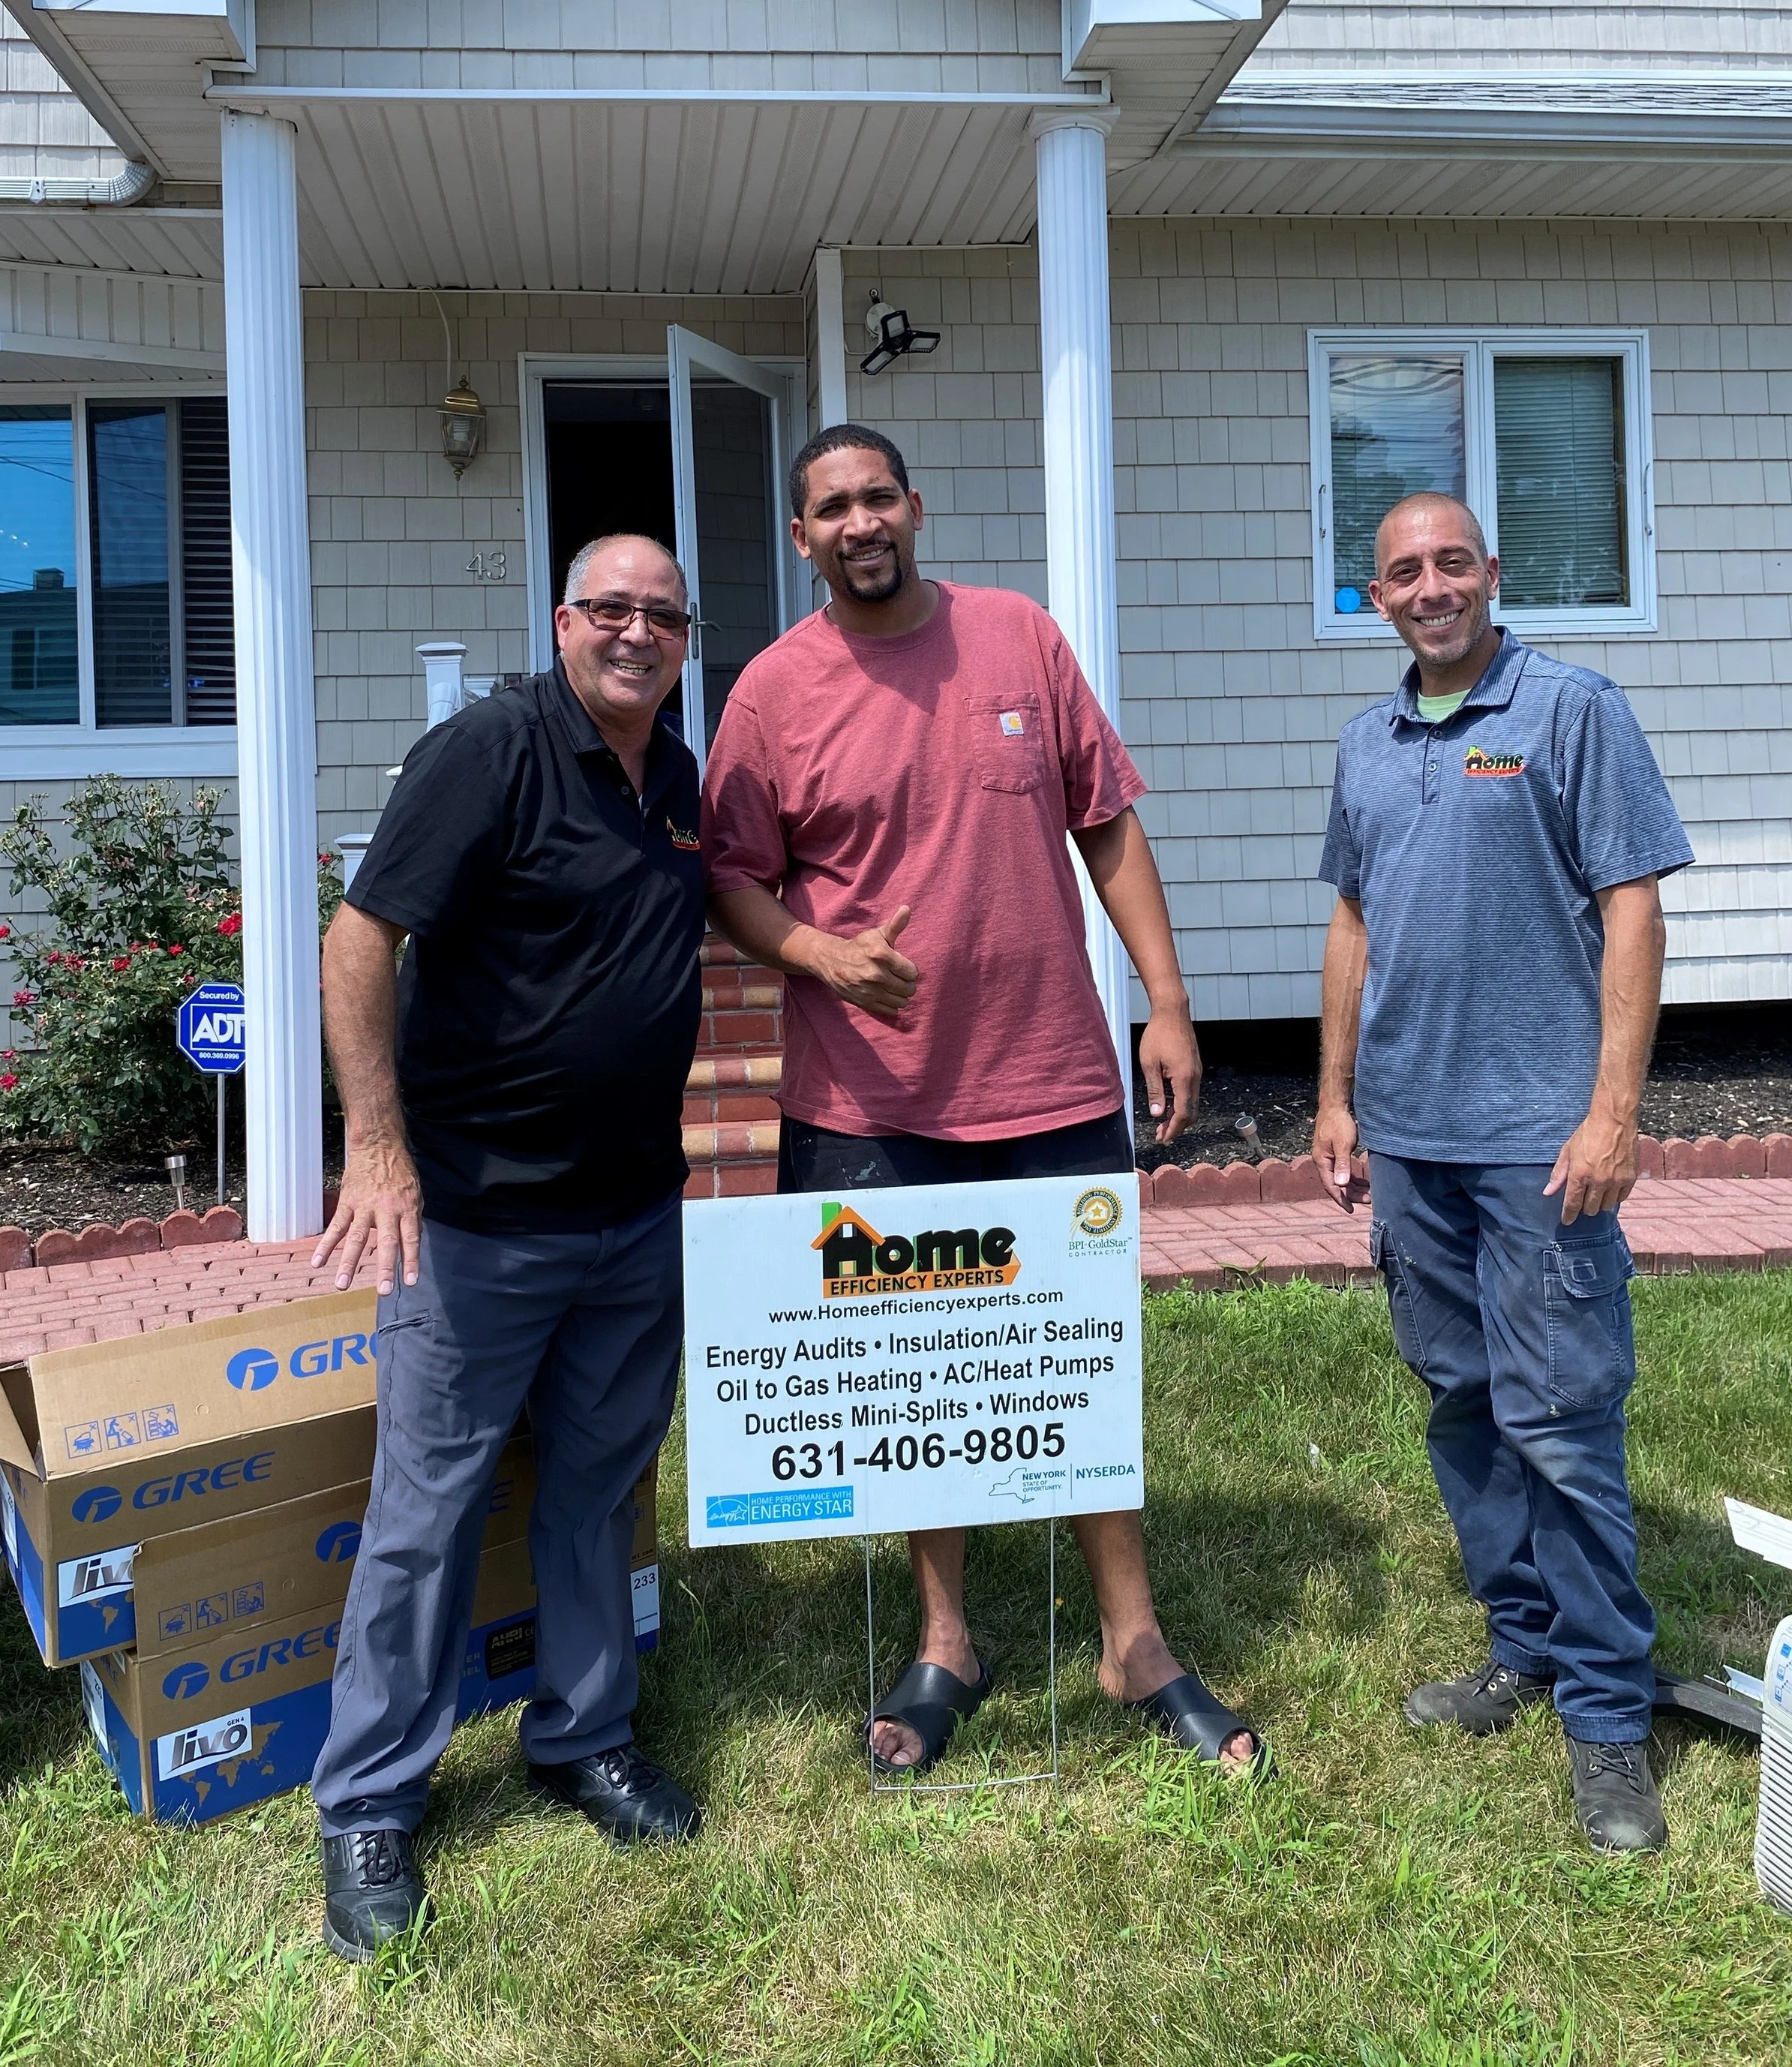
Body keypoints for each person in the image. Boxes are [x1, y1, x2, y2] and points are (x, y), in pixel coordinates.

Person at [701, 423, 1269, 1781]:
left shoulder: (1019, 636)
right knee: (914, 1377)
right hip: (867, 1102)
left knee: (1076, 1366)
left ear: (917, 503)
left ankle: (1134, 1638)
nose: (859, 522)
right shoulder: (773, 692)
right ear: (802, 538)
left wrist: (1169, 1003)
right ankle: (947, 1634)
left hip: (1049, 1077)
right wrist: (821, 954)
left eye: (878, 496)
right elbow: (733, 877)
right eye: (830, 507)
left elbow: (1107, 824)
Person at [309, 534, 708, 1963]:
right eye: (612, 609)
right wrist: (376, 1144)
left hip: (630, 1219)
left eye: (662, 615)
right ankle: (370, 1802)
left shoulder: (674, 776)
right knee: (426, 1517)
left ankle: (582, 1737)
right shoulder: (485, 751)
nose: (637, 632)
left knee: (599, 1493)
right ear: (563, 622)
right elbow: (360, 941)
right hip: (478, 1225)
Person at [1312, 492, 1692, 1855]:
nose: (1430, 587)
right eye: (1403, 572)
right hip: (1411, 1142)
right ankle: (1524, 1644)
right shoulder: (1368, 740)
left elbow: (1635, 903)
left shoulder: (1570, 710)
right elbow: (1352, 919)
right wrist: (1338, 1096)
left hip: (1542, 1145)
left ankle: (1607, 1719)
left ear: (1492, 571)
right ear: (1375, 598)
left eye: (1451, 563)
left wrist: (1613, 1113)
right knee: (1465, 1402)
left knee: (1564, 1422)